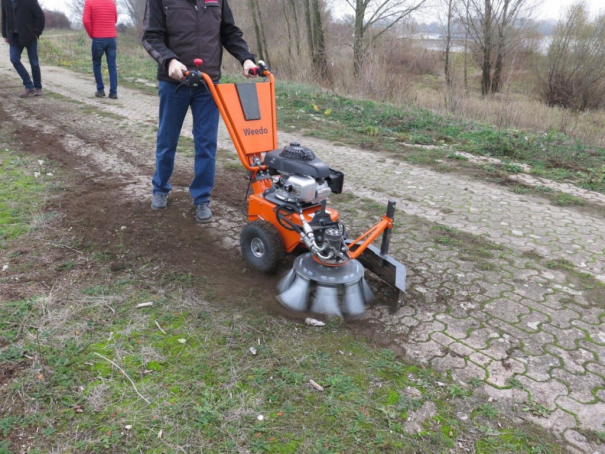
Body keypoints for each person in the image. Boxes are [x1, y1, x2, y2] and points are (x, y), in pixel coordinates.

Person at [142, 0, 257, 224]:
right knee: (167, 139)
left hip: (208, 82)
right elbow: (151, 36)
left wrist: (246, 58)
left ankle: (202, 198)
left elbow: (229, 32)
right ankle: (160, 187)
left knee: (206, 142)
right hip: (174, 81)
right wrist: (169, 60)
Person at [1, 0, 45, 98]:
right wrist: (4, 34)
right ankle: (29, 85)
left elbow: (40, 16)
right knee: (14, 59)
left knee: (34, 63)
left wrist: (36, 32)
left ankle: (38, 88)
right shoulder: (5, 1)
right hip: (14, 37)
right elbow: (4, 17)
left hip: (30, 36)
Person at [83, 0, 118, 99]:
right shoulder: (111, 2)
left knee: (97, 64)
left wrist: (92, 34)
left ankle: (100, 90)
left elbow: (86, 21)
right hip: (111, 37)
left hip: (98, 37)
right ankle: (113, 92)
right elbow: (115, 19)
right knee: (112, 65)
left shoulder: (89, 2)